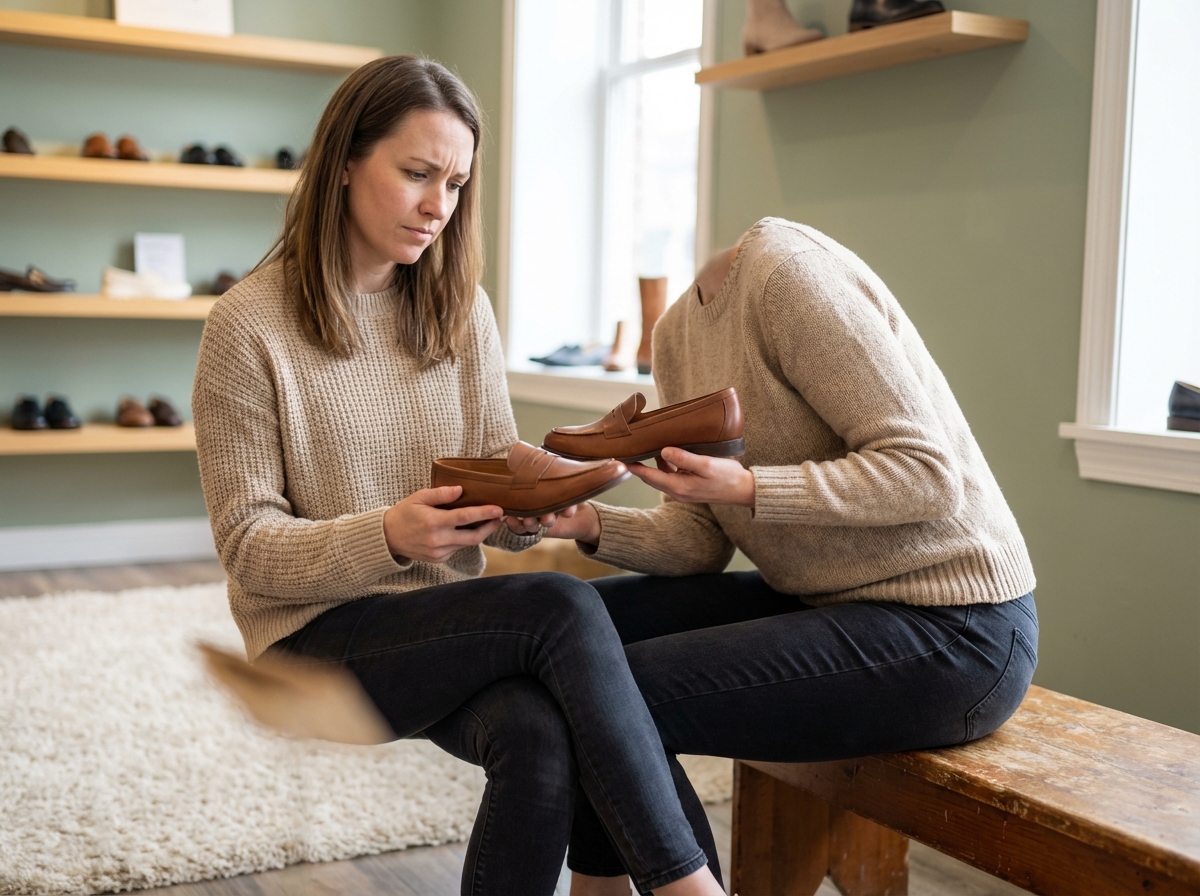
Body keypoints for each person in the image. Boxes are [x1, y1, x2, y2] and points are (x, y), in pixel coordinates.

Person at [192, 55, 723, 896]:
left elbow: (496, 489)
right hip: (311, 638)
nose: (439, 205)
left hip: (438, 617)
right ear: (342, 165)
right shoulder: (246, 327)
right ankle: (687, 886)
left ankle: (614, 884)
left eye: (456, 183)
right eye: (416, 174)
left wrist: (539, 503)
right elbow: (250, 549)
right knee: (561, 604)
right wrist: (390, 535)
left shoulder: (459, 309)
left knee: (541, 733)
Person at [547, 217, 1039, 895]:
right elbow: (697, 540)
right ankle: (600, 886)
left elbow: (928, 474)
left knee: (618, 691)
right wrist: (583, 521)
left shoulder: (790, 279)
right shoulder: (674, 337)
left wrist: (748, 487)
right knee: (562, 629)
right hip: (828, 597)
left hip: (959, 628)